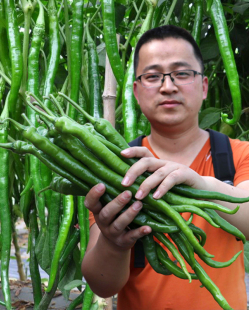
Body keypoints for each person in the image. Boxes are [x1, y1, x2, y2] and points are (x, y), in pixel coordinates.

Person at [81, 25, 249, 310]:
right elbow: (102, 284)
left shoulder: (237, 155)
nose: (167, 86)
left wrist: (201, 184)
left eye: (182, 73)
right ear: (136, 91)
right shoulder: (115, 170)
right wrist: (114, 243)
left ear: (204, 86)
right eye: (153, 76)